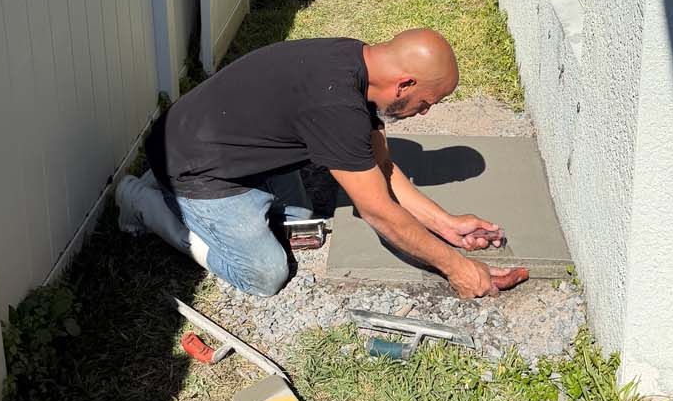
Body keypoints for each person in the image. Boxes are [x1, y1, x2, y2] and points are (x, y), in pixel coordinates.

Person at [117, 29, 527, 301]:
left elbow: (380, 168)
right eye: (426, 103)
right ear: (404, 83)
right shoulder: (336, 106)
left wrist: (446, 225)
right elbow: (379, 213)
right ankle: (144, 200)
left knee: (301, 220)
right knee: (264, 274)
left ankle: (208, 192)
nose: (423, 114)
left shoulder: (359, 63)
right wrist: (458, 268)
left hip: (218, 139)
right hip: (194, 167)